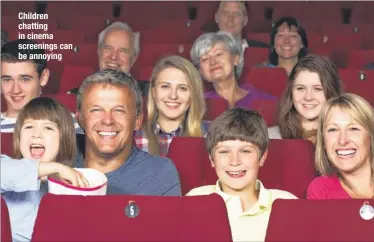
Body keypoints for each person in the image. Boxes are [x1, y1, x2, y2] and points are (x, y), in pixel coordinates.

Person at [186, 108, 297, 242]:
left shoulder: (286, 201)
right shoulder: (195, 198)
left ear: (262, 157)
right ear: (211, 159)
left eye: (245, 151)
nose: (234, 161)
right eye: (224, 152)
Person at [75, 69, 181, 196]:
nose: (108, 120)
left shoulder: (159, 173)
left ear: (137, 120)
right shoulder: (57, 156)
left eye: (119, 111)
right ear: (80, 118)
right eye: (96, 110)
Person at [1, 97, 88, 242]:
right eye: (29, 127)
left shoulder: (72, 183)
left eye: (48, 128)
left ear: (63, 138)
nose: (36, 134)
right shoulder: (6, 165)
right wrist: (55, 167)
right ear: (19, 137)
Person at [134, 55, 209, 156]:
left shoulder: (211, 134)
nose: (173, 96)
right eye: (165, 86)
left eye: (182, 88)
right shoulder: (134, 136)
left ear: (193, 95)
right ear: (154, 92)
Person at [307, 93, 374, 199]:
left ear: (370, 137)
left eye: (353, 129)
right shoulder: (321, 190)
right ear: (324, 141)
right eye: (333, 129)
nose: (343, 140)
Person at [191, 31, 276, 109]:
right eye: (205, 59)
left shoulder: (263, 100)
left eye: (219, 54)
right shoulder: (197, 106)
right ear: (200, 71)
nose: (213, 62)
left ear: (235, 59)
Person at [268, 54, 343, 141]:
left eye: (317, 89)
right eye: (300, 88)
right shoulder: (270, 137)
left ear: (332, 92)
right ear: (291, 93)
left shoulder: (343, 139)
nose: (308, 97)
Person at [1, 39, 50, 132]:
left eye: (25, 79)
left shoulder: (66, 123)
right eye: (7, 79)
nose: (15, 90)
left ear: (43, 78)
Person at [212, 1, 270, 78]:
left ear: (245, 20)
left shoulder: (264, 50)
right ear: (216, 17)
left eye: (236, 14)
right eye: (225, 13)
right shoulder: (202, 51)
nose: (230, 19)